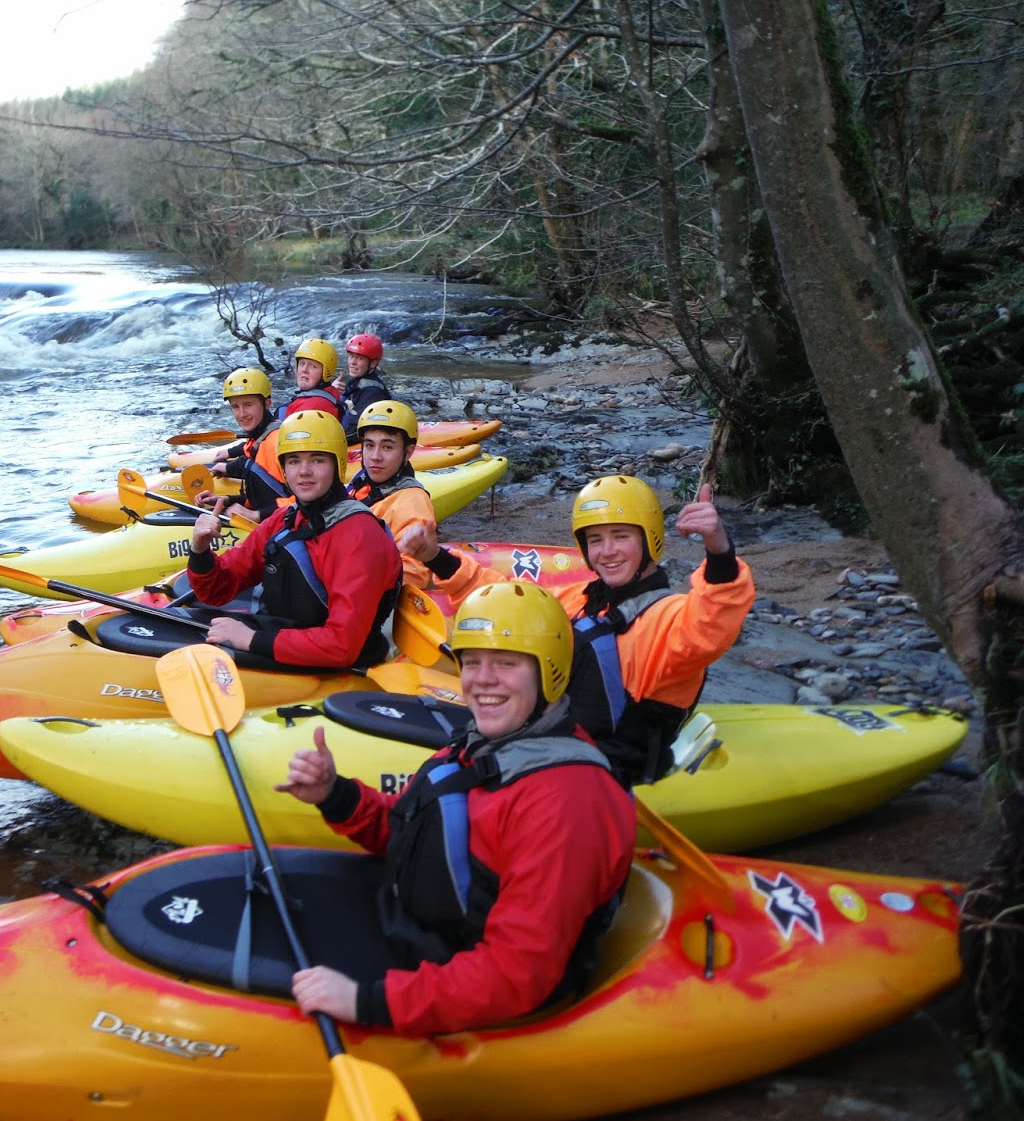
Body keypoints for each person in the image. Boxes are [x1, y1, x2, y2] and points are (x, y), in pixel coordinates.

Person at [276, 580, 636, 1036]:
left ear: (550, 672)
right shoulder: (483, 743)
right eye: (472, 662)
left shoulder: (567, 804)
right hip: (418, 927)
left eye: (506, 663)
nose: (482, 680)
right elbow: (419, 839)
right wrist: (336, 795)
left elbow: (516, 974)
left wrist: (367, 1001)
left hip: (455, 978)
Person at [400, 475, 756, 786]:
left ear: (650, 539)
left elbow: (714, 618)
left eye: (621, 536)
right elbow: (505, 602)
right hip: (555, 747)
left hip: (607, 776)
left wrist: (719, 551)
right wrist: (434, 557)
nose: (607, 551)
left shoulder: (670, 620)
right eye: (595, 539)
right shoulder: (581, 599)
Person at [188, 409, 402, 669]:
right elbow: (217, 590)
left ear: (338, 465)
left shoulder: (360, 536)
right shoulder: (285, 519)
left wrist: (252, 639)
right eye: (293, 461)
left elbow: (342, 645)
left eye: (317, 460)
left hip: (342, 666)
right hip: (288, 638)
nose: (303, 471)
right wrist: (200, 551)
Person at [344, 400, 438, 589]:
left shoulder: (412, 501)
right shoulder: (361, 483)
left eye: (387, 447)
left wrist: (346, 580)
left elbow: (414, 573)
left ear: (408, 452)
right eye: (369, 445)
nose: (375, 456)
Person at [194, 367, 288, 524]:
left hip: (280, 526)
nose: (242, 414)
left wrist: (256, 515)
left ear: (267, 404)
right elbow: (267, 495)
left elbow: (304, 502)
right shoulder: (259, 439)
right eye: (235, 407)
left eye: (248, 404)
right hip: (269, 519)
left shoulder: (276, 445)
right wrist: (225, 499)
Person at [331, 333, 394, 442]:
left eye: (359, 358)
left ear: (373, 363)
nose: (352, 362)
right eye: (351, 356)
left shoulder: (372, 393)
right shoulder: (356, 383)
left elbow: (354, 432)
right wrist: (331, 393)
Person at [279, 338, 349, 424]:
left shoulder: (310, 410)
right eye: (302, 363)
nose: (304, 370)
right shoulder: (330, 392)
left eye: (313, 366)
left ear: (326, 372)